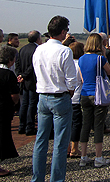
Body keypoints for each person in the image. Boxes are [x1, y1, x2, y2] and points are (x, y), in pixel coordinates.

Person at [31, 15, 78, 182]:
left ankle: (37, 178)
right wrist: (70, 92)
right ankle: (57, 179)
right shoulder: (65, 51)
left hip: (43, 96)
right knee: (60, 142)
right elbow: (72, 80)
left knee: (41, 140)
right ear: (64, 32)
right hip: (60, 96)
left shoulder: (39, 49)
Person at [78, 33, 110, 168]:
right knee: (98, 125)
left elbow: (82, 78)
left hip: (85, 93)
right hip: (98, 94)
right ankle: (98, 157)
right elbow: (109, 72)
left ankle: (84, 156)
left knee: (86, 125)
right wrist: (104, 55)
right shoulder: (100, 59)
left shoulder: (81, 59)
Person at [16, 30, 42, 136]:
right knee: (32, 104)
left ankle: (22, 125)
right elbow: (33, 65)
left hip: (24, 80)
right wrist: (25, 75)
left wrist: (20, 75)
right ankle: (30, 126)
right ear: (37, 39)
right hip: (32, 80)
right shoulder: (37, 50)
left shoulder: (22, 49)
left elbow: (18, 63)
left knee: (24, 104)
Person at [0, 46, 20, 177]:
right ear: (10, 60)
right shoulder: (8, 74)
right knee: (2, 136)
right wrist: (13, 104)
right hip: (3, 109)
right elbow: (14, 95)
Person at [68, 42, 84, 158]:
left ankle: (66, 147)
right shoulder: (80, 64)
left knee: (66, 124)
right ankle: (74, 148)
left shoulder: (67, 64)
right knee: (76, 123)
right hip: (77, 96)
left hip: (65, 97)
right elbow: (83, 80)